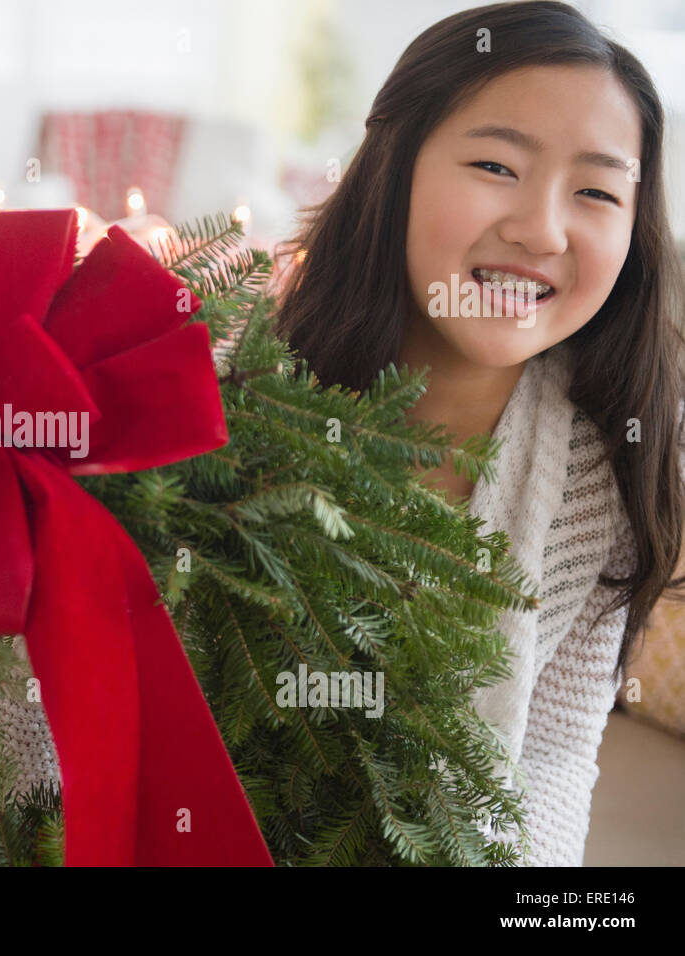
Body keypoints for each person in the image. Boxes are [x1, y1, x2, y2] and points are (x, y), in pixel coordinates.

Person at [273, 1, 685, 864]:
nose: (541, 229)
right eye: (497, 164)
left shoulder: (606, 462)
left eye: (597, 191)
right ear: (395, 165)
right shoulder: (239, 392)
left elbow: (553, 747)